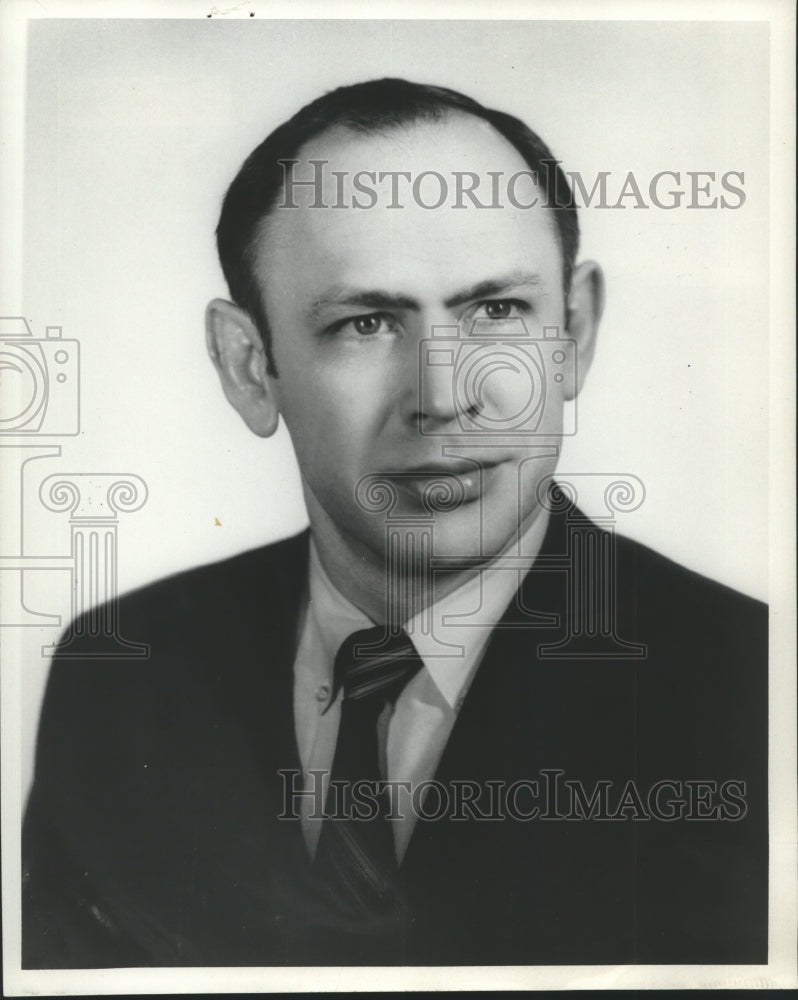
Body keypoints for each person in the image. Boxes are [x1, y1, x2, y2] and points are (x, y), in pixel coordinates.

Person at [22, 78, 767, 969]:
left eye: (497, 311)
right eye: (365, 322)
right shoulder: (124, 675)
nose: (444, 397)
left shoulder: (751, 688)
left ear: (573, 332)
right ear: (248, 367)